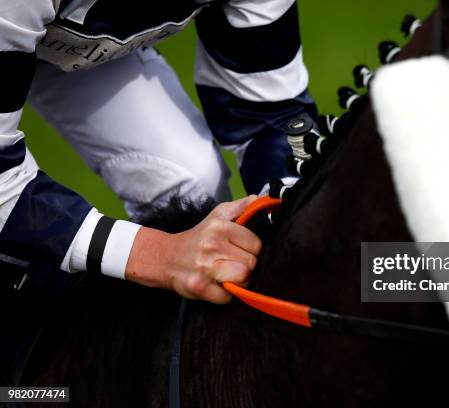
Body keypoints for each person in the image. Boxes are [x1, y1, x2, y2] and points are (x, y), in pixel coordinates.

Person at [0, 0, 316, 303]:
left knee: (192, 191)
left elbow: (267, 117)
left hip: (61, 36)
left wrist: (291, 215)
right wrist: (161, 255)